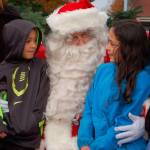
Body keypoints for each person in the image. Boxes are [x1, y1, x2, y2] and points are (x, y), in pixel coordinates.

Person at [44, 0, 108, 149]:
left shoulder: (107, 62)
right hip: (55, 137)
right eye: (74, 37)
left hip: (96, 137)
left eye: (85, 35)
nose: (80, 42)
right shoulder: (50, 60)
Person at [77, 19, 150, 150]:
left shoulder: (142, 79)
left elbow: (124, 123)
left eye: (112, 44)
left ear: (129, 48)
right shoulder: (102, 70)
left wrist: (94, 148)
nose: (107, 48)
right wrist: (84, 142)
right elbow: (89, 108)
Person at [0, 19, 49, 150]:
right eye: (27, 41)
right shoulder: (2, 69)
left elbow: (42, 98)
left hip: (31, 140)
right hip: (6, 138)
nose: (33, 45)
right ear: (14, 41)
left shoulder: (40, 66)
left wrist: (31, 123)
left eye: (35, 40)